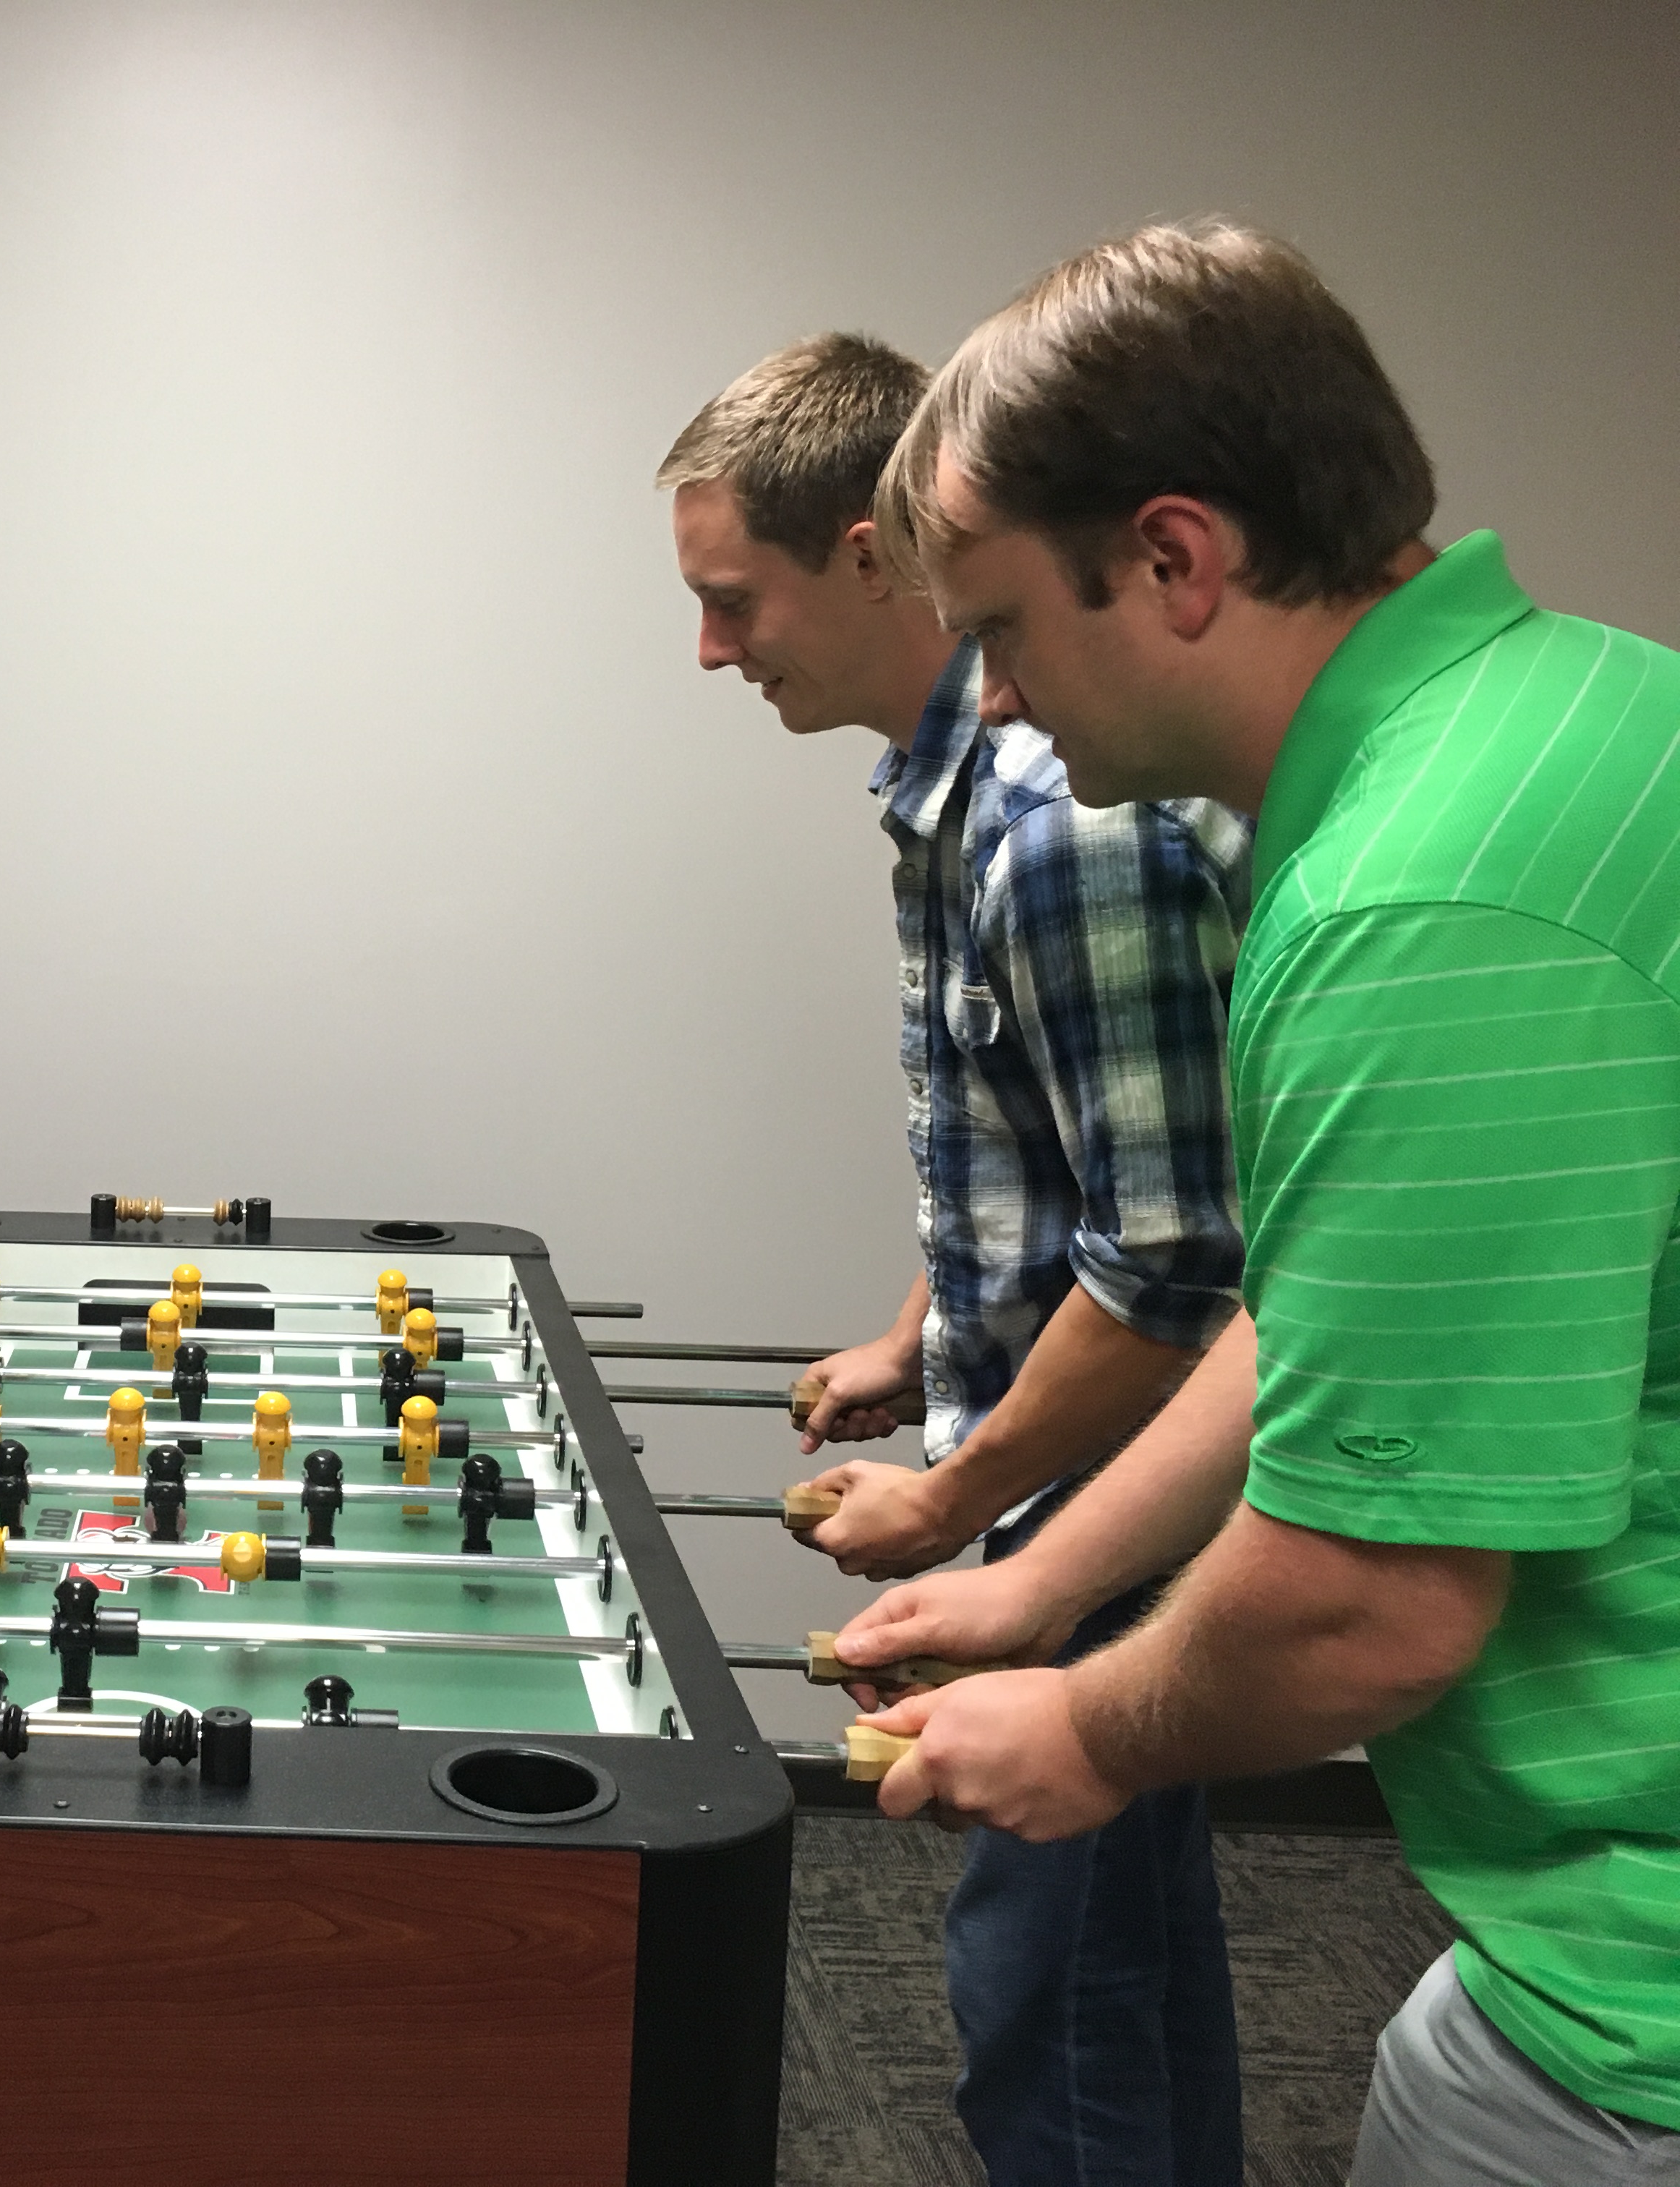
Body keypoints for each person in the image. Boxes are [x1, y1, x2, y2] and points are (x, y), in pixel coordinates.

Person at [838, 221, 1680, 2183]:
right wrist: (1039, 1589)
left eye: (1010, 627)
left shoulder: (1425, 904)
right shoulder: (1574, 709)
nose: (1003, 702)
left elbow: (1366, 1609)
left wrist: (1088, 1732)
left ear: (1175, 560)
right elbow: (1326, 1309)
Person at [660, 333, 1252, 2184]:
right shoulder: (948, 798)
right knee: (1121, 1980)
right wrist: (920, 1341)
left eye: (727, 599)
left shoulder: (1059, 820)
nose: (709, 652)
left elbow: (1177, 1257)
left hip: (1109, 1512)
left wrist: (954, 1500)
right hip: (1064, 1471)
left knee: (1052, 2014)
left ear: (864, 549)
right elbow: (1043, 1136)